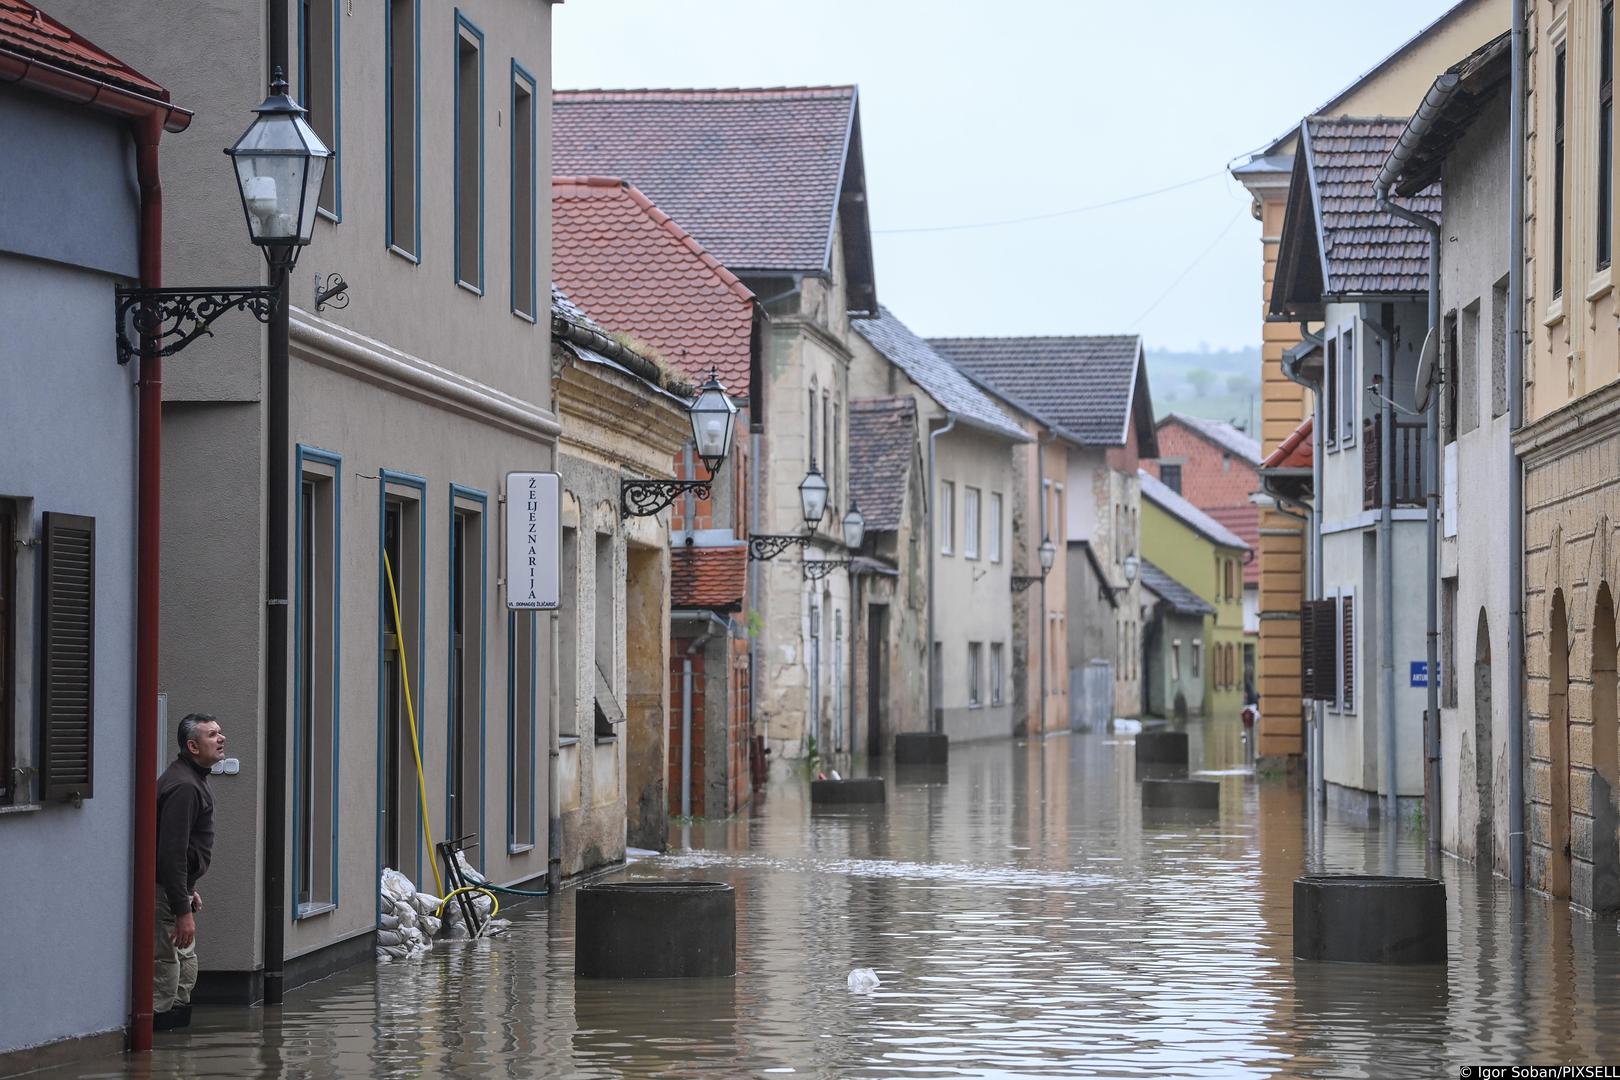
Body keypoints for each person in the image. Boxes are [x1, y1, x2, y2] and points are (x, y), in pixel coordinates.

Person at [154, 712, 223, 1031]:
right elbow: (171, 851)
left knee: (181, 960)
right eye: (212, 735)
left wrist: (187, 887)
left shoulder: (191, 779)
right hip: (166, 893)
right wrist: (182, 908)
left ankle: (174, 1042)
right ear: (193, 746)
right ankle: (162, 1036)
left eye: (219, 733)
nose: (221, 739)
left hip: (175, 890)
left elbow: (181, 851)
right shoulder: (183, 786)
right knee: (168, 961)